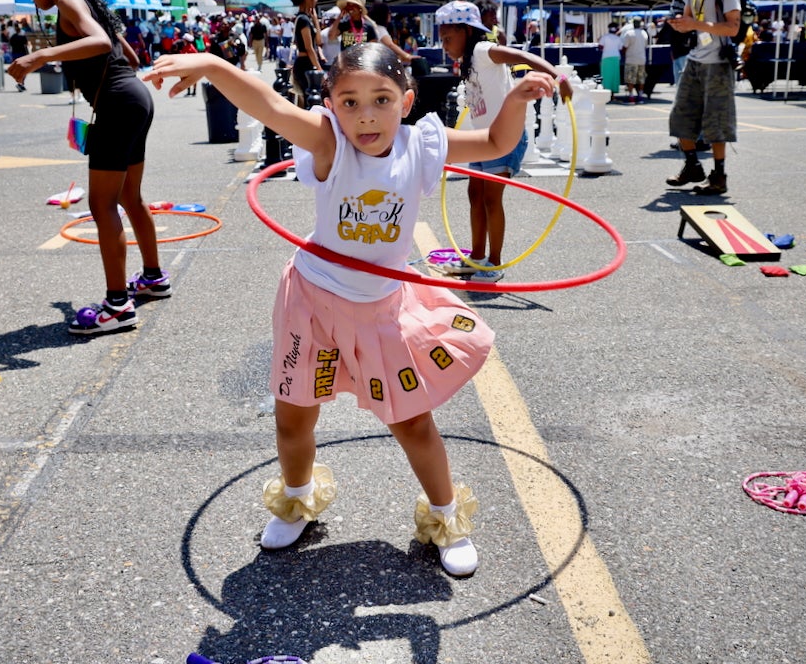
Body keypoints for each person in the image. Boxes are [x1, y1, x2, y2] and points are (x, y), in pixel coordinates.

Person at [145, 43, 557, 576]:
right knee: (293, 416)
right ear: (330, 106)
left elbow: (498, 141)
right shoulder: (329, 145)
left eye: (382, 99)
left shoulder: (422, 146)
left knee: (411, 422)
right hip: (312, 301)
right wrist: (212, 65)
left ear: (406, 101)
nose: (366, 115)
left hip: (379, 309)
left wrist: (520, 96)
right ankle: (297, 499)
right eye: (350, 102)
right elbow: (270, 107)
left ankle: (446, 517)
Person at [7, 0, 170, 335]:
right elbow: (127, 55)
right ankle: (152, 278)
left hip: (118, 103)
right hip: (134, 97)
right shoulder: (89, 1)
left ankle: (116, 306)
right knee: (130, 197)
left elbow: (98, 43)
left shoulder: (67, 2)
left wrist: (38, 57)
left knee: (102, 204)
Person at [435, 0, 569, 283]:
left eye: (448, 38)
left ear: (467, 31)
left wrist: (560, 77)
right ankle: (478, 257)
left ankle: (494, 261)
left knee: (491, 199)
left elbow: (526, 58)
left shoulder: (483, 51)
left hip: (505, 137)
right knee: (475, 195)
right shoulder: (469, 62)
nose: (444, 46)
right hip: (484, 138)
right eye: (442, 39)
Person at [665, 0, 741, 196]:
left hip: (718, 62)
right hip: (695, 59)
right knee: (680, 116)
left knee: (716, 121)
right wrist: (680, 25)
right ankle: (692, 166)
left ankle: (719, 176)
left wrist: (695, 24)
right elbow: (690, 20)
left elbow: (732, 28)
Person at [290, 0, 325, 108]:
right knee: (308, 101)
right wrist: (320, 70)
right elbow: (309, 48)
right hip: (305, 64)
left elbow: (319, 41)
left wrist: (315, 20)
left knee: (308, 100)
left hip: (307, 63)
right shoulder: (303, 20)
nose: (316, 1)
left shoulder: (306, 19)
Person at [367, 1, 417, 65]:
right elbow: (390, 45)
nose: (390, 15)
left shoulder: (374, 27)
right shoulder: (380, 29)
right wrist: (407, 56)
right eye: (389, 13)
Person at [621, 18, 650, 103]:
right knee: (641, 79)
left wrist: (623, 53)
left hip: (631, 59)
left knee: (631, 79)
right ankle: (640, 96)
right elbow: (645, 46)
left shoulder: (629, 33)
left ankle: (631, 96)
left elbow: (625, 46)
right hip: (641, 59)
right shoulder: (644, 33)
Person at [597, 22, 623, 97]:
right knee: (614, 76)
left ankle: (606, 92)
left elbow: (600, 47)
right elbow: (620, 48)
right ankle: (612, 94)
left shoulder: (604, 37)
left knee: (605, 75)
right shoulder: (618, 38)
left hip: (606, 57)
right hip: (615, 57)